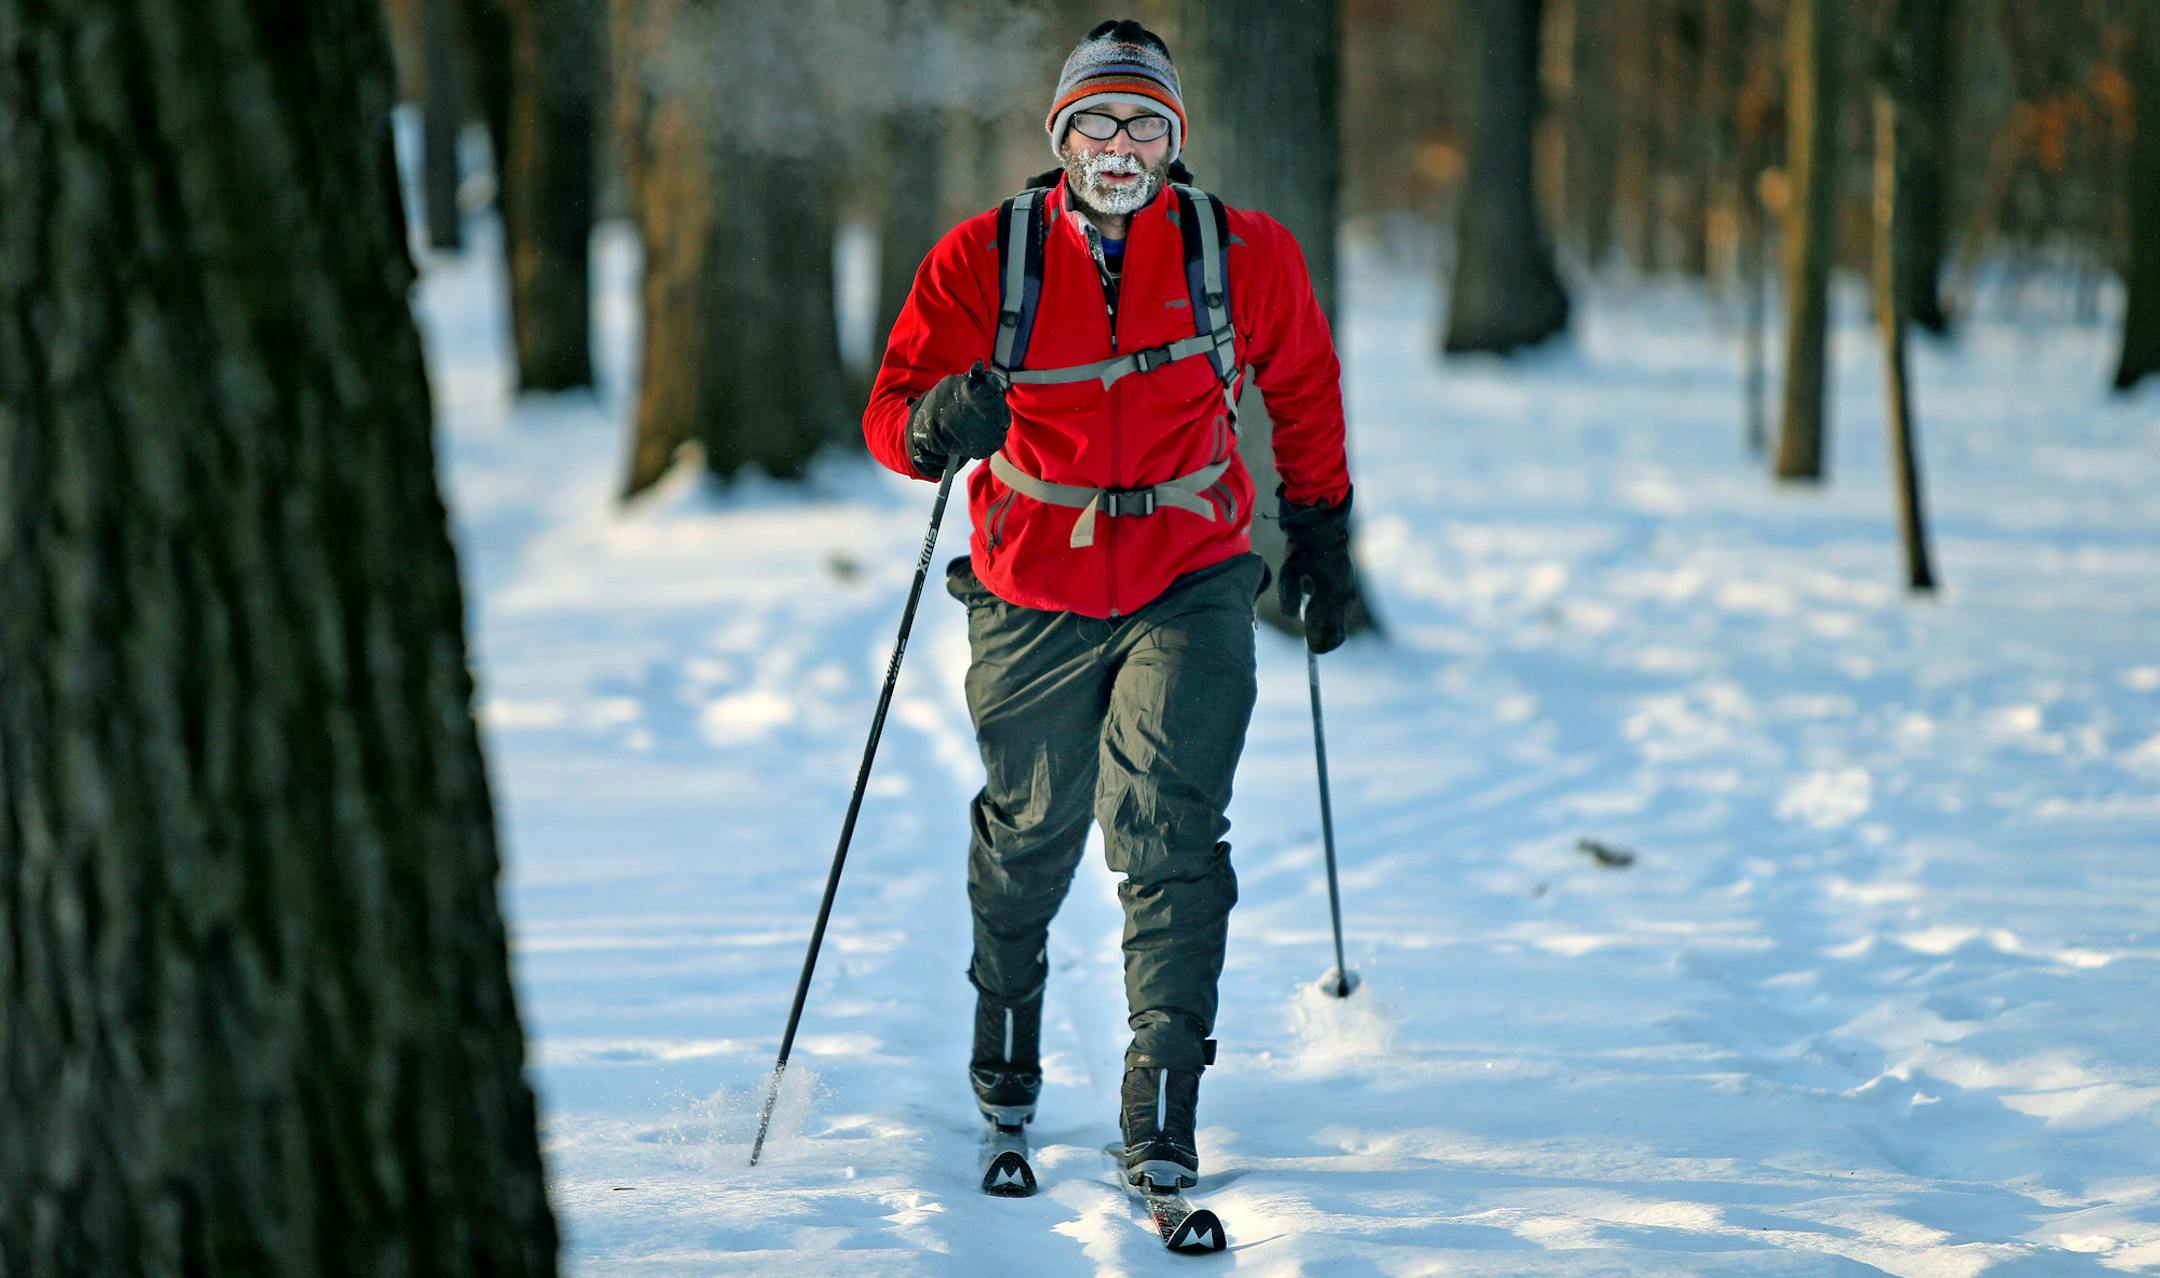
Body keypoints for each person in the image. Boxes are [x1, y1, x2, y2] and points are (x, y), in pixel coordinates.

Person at [862, 17, 1357, 1191]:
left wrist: (1322, 530)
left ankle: (1164, 1091)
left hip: (1190, 578)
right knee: (1032, 830)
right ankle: (1006, 1037)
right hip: (1031, 580)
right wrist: (938, 424)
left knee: (1170, 833)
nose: (1120, 142)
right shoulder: (986, 257)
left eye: (1144, 122)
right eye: (1098, 121)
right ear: (1063, 136)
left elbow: (1304, 388)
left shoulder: (1247, 254)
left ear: (1174, 140)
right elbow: (890, 413)